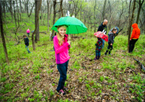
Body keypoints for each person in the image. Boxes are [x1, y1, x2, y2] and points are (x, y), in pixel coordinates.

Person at [53, 25, 71, 95]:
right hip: (60, 61)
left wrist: (68, 43)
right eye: (61, 30)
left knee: (64, 74)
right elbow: (57, 50)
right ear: (58, 29)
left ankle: (62, 86)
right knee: (63, 76)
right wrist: (66, 44)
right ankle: (59, 89)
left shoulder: (65, 37)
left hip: (66, 59)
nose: (63, 31)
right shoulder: (55, 38)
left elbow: (67, 48)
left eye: (64, 30)